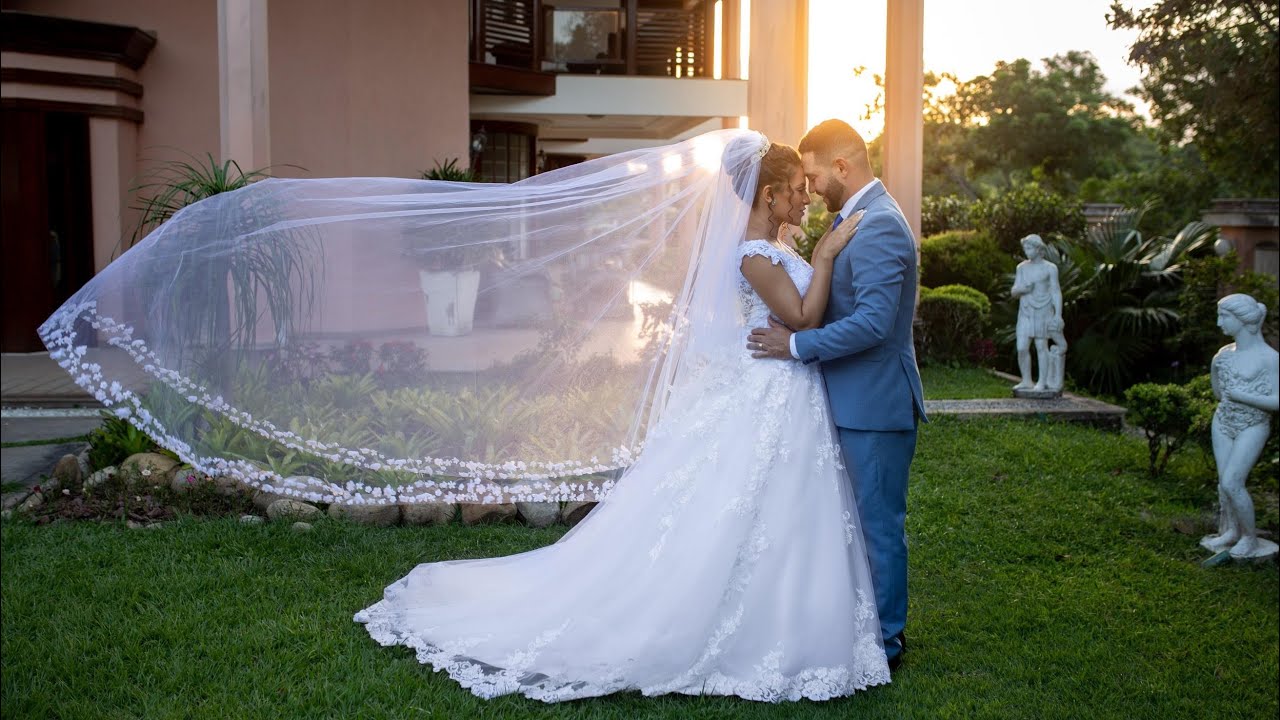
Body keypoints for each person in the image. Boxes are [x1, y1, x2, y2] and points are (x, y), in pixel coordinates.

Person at [746, 119, 926, 671]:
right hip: (846, 399)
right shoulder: (854, 221)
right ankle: (855, 626)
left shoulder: (880, 228)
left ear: (843, 167)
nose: (811, 188)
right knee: (851, 524)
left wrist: (797, 345)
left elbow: (873, 323)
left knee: (877, 526)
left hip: (874, 403)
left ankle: (887, 642)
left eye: (817, 176)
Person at [1200, 294, 1279, 559]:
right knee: (1224, 484)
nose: (1219, 322)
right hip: (1223, 422)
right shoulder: (1222, 355)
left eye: (1225, 316)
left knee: (1233, 481)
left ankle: (1249, 537)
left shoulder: (1270, 358)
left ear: (1244, 320)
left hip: (1253, 424)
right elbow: (1219, 393)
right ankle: (1231, 531)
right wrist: (1232, 397)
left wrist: (1245, 397)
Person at [1010, 233, 1065, 392]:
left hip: (1044, 310)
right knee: (1021, 347)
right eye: (1025, 248)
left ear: (1038, 249)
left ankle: (1042, 382)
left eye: (1029, 248)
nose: (1026, 251)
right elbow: (1014, 291)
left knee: (1041, 346)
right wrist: (1023, 289)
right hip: (1026, 311)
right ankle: (1026, 380)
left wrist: (1058, 314)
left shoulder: (1050, 268)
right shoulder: (1021, 268)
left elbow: (1055, 291)